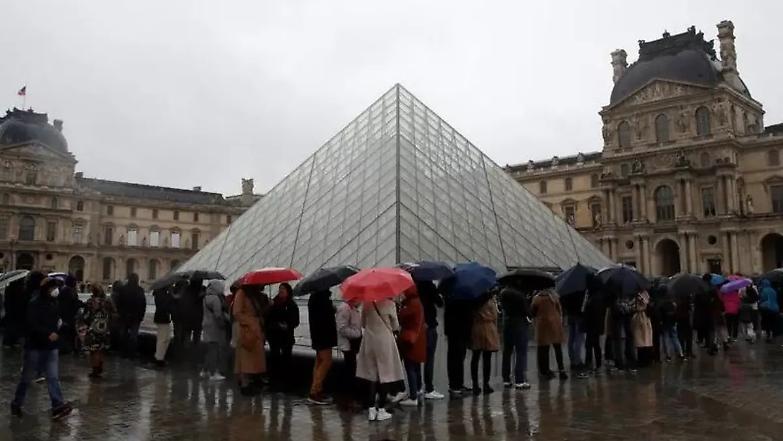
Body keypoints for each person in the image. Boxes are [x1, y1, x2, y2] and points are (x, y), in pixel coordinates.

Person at [11, 277, 73, 420]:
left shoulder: (54, 302)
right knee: (27, 377)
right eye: (52, 288)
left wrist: (61, 328)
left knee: (53, 377)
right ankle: (17, 403)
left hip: (51, 346)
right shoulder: (34, 303)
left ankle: (57, 406)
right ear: (46, 289)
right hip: (35, 346)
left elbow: (57, 321)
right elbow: (32, 324)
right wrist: (47, 334)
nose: (55, 291)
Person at [356, 299, 405, 422]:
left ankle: (371, 410)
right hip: (385, 342)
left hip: (369, 341)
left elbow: (363, 323)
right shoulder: (390, 304)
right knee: (386, 375)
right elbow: (395, 326)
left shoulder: (366, 303)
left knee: (372, 376)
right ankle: (381, 409)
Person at [232, 284, 268, 396]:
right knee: (245, 358)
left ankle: (249, 382)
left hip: (255, 329)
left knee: (253, 358)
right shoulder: (242, 293)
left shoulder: (255, 295)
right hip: (246, 330)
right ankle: (245, 383)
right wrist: (250, 322)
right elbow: (236, 313)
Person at [265, 283, 300, 390]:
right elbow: (267, 318)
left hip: (286, 337)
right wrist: (269, 307)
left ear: (288, 291)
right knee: (274, 358)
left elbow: (295, 321)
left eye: (283, 289)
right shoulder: (273, 303)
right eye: (280, 288)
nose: (281, 290)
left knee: (286, 359)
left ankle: (286, 382)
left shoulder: (291, 305)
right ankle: (274, 381)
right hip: (274, 336)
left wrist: (287, 325)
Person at [398, 286, 426, 406]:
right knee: (416, 365)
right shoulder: (418, 302)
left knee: (410, 366)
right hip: (418, 339)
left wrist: (400, 305)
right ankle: (418, 390)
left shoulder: (411, 304)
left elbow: (401, 317)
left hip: (410, 339)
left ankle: (413, 396)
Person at [307, 289, 337, 405]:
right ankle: (314, 391)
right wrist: (332, 309)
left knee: (319, 361)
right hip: (324, 335)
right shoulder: (322, 299)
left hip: (317, 334)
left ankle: (317, 390)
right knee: (326, 361)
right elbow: (325, 316)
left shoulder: (313, 298)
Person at [500, 281, 532, 389]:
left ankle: (506, 379)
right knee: (521, 352)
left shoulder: (503, 293)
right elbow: (527, 312)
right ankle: (519, 380)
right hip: (519, 324)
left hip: (507, 323)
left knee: (507, 352)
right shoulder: (520, 295)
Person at [79, 285, 115, 378]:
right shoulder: (107, 301)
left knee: (93, 350)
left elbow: (85, 316)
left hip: (93, 330)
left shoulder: (90, 302)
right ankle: (100, 366)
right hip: (104, 329)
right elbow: (114, 313)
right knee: (101, 349)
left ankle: (95, 369)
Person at [531, 288, 567, 380]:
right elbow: (560, 310)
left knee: (543, 349)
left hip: (543, 324)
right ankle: (561, 370)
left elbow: (533, 312)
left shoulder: (537, 298)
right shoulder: (555, 297)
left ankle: (544, 370)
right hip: (555, 323)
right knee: (557, 348)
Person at [417, 280, 445, 400]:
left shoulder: (413, 284)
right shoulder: (429, 285)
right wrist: (437, 293)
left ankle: (417, 387)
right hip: (429, 325)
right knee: (429, 357)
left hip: (417, 326)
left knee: (416, 358)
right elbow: (440, 303)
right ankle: (429, 388)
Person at [443, 293, 474, 396]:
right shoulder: (456, 296)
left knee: (459, 358)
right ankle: (455, 386)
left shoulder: (456, 293)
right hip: (457, 329)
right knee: (456, 358)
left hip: (459, 329)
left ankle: (458, 384)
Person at [469, 291, 500, 395]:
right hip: (488, 329)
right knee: (487, 358)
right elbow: (495, 316)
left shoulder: (474, 301)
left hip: (476, 328)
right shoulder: (490, 302)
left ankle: (475, 384)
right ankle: (486, 384)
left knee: (475, 357)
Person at [336, 298, 362, 405]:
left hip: (352, 344)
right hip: (348, 344)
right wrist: (357, 334)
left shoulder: (353, 308)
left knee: (351, 367)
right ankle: (347, 393)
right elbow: (342, 328)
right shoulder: (344, 308)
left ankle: (348, 392)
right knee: (350, 368)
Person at [202, 280, 229, 381]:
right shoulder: (216, 299)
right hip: (214, 327)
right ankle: (213, 374)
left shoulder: (206, 298)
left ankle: (205, 370)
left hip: (206, 325)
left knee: (210, 349)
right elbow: (218, 315)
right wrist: (223, 323)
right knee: (214, 350)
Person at [116, 273, 146, 359]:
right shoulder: (140, 290)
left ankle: (123, 353)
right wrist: (141, 316)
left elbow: (119, 303)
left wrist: (121, 313)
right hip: (136, 317)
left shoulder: (123, 289)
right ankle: (131, 354)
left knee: (123, 335)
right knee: (133, 336)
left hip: (124, 316)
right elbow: (143, 304)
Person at [581, 280, 607, 377]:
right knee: (595, 345)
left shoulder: (594, 298)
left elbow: (590, 312)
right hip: (596, 326)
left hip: (592, 326)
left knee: (589, 346)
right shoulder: (598, 296)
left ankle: (589, 365)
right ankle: (597, 364)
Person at [561, 290, 585, 372]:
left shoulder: (568, 290)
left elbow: (563, 302)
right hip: (579, 315)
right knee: (579, 339)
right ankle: (578, 361)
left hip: (570, 315)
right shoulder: (581, 291)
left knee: (571, 338)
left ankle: (572, 360)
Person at [57, 275, 82, 354]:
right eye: (75, 282)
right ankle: (67, 349)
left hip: (70, 317)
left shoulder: (69, 290)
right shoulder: (67, 291)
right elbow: (70, 304)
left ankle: (72, 348)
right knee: (67, 333)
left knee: (71, 334)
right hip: (67, 317)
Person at [657, 291, 684, 362]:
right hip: (673, 323)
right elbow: (676, 314)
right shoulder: (673, 305)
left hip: (665, 323)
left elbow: (660, 316)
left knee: (666, 339)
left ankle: (668, 356)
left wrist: (661, 322)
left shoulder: (661, 305)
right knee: (675, 338)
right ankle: (680, 353)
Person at [3, 277, 30, 348]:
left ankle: (9, 342)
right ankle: (11, 341)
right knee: (14, 327)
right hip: (17, 311)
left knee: (12, 327)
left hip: (13, 311)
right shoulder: (21, 289)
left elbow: (7, 301)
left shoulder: (10, 288)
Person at [152, 287, 175, 368]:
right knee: (162, 339)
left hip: (163, 318)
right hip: (162, 318)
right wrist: (171, 295)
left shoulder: (162, 293)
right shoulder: (161, 294)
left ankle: (160, 357)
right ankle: (159, 359)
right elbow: (165, 306)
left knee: (166, 338)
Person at [631, 291, 653, 367]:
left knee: (643, 339)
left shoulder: (643, 295)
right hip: (641, 318)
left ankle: (644, 360)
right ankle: (643, 359)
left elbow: (645, 303)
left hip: (642, 318)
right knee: (641, 340)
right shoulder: (640, 295)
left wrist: (640, 299)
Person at [674, 290, 695, 359]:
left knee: (681, 336)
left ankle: (682, 350)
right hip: (686, 319)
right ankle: (689, 351)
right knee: (689, 336)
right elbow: (690, 310)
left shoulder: (677, 300)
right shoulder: (687, 300)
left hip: (680, 319)